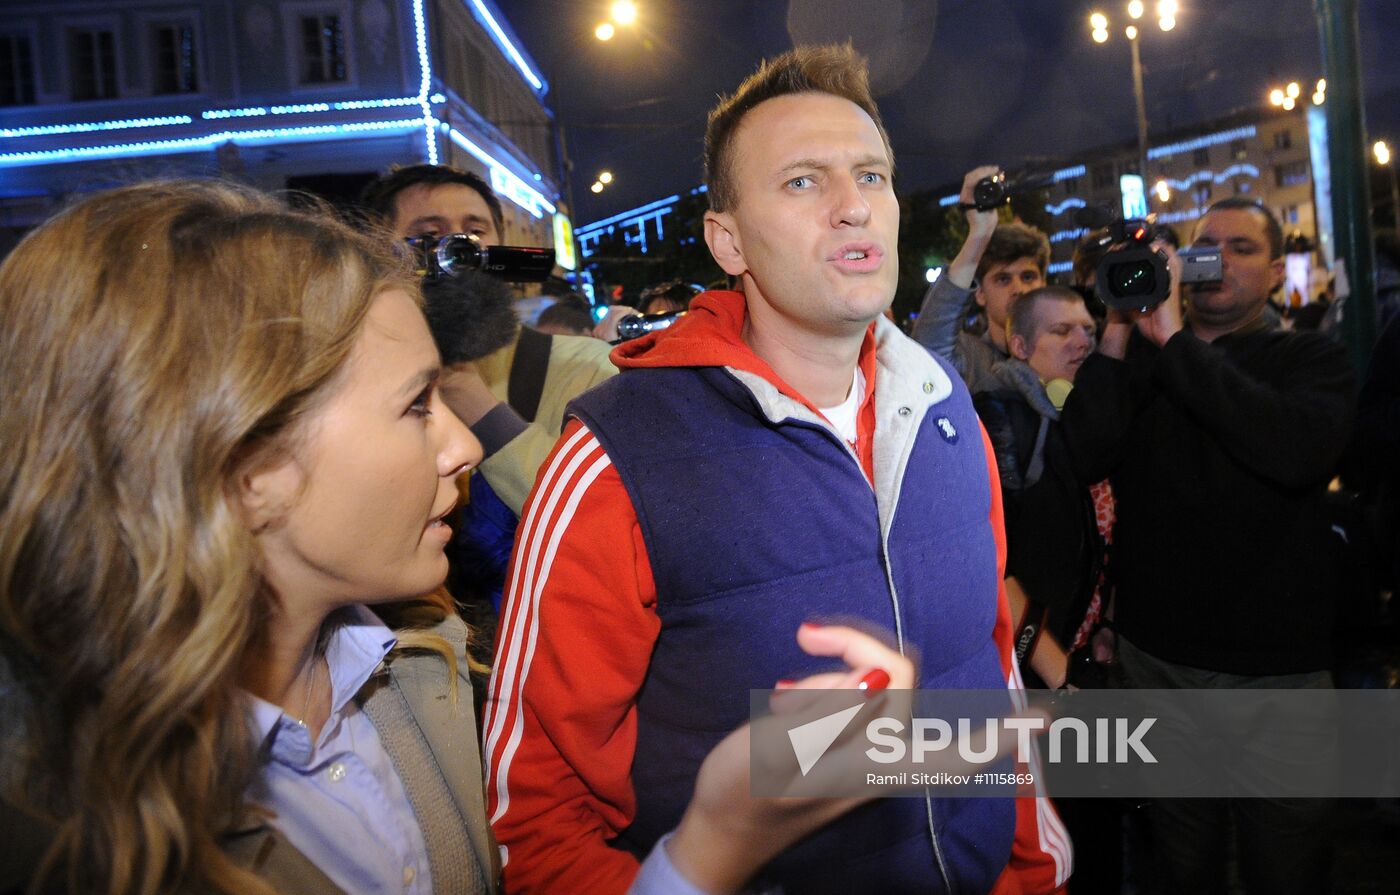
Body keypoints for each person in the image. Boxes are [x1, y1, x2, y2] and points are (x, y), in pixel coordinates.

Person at [0, 180, 934, 895]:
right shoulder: (64, 833)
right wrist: (718, 843)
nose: (857, 209)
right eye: (416, 406)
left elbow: (1001, 695)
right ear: (243, 463)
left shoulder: (426, 666)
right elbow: (569, 805)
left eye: (876, 173)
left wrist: (1009, 764)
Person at [485, 45, 1069, 895]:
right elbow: (534, 818)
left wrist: (1032, 872)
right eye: (803, 182)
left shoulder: (942, 407)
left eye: (870, 177)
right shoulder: (613, 457)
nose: (851, 209)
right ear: (728, 240)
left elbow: (989, 672)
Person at [1059, 197, 1356, 895]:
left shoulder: (1310, 356)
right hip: (1159, 668)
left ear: (1279, 271)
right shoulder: (1142, 359)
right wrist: (1116, 332)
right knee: (1182, 866)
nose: (1218, 259)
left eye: (1242, 248)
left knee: (1286, 868)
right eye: (1203, 246)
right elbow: (1084, 452)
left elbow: (1291, 448)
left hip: (1281, 680)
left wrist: (1175, 343)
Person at [360, 165, 619, 515]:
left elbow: (600, 516)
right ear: (381, 253)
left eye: (475, 231)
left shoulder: (587, 367)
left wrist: (467, 394)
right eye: (430, 235)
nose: (459, 250)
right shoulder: (351, 379)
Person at [911, 165, 1051, 388]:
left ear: (1044, 284)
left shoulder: (1073, 346)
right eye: (1003, 279)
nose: (1018, 289)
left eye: (1028, 277)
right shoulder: (970, 360)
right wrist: (979, 234)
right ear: (980, 294)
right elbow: (930, 348)